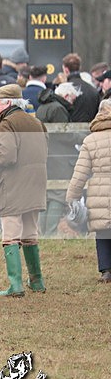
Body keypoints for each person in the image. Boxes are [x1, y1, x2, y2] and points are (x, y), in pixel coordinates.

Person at [0, 83, 48, 297]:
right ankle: (37, 281)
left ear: (8, 103)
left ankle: (16, 285)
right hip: (36, 183)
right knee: (30, 232)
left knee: (11, 234)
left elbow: (7, 156)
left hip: (13, 186)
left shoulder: (7, 123)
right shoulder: (36, 122)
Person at [66, 99, 111, 282]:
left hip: (99, 190)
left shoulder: (90, 140)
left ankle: (106, 271)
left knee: (102, 231)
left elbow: (80, 173)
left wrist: (72, 196)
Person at [36, 83, 82, 235]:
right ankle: (50, 233)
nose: (72, 102)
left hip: (46, 157)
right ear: (67, 95)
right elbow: (65, 135)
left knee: (46, 196)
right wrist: (82, 136)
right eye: (73, 99)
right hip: (60, 159)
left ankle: (43, 234)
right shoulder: (58, 109)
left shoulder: (43, 107)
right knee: (58, 195)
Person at [62, 53, 100, 122]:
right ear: (79, 68)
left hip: (70, 127)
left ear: (66, 70)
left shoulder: (63, 90)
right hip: (91, 127)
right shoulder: (93, 90)